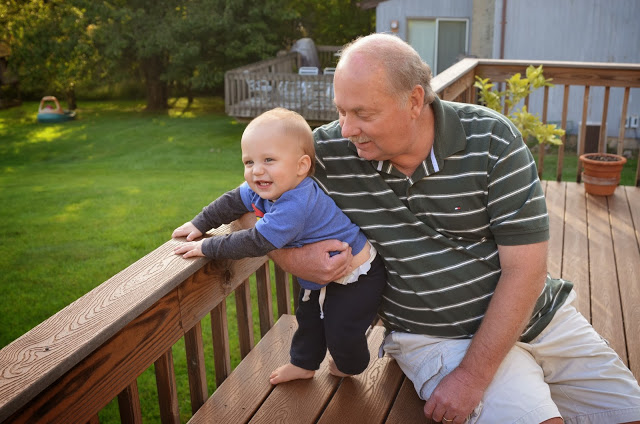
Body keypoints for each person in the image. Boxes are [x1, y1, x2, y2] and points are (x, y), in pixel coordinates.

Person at [268, 33, 640, 424]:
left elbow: (525, 269)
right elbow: (247, 206)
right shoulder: (326, 154)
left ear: (414, 101)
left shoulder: (492, 139)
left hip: (540, 316)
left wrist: (471, 378)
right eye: (341, 111)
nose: (346, 128)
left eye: (363, 113)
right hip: (437, 336)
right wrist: (291, 258)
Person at [171, 107, 386, 385]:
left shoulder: (296, 202)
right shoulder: (265, 187)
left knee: (340, 328)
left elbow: (258, 241)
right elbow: (232, 200)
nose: (257, 170)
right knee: (308, 318)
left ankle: (351, 364)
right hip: (319, 272)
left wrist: (207, 247)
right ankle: (303, 364)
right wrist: (199, 224)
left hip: (357, 276)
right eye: (249, 162)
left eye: (269, 160)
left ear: (301, 166)